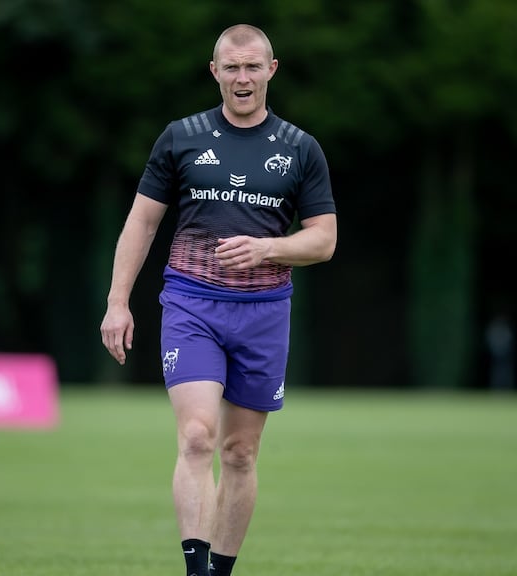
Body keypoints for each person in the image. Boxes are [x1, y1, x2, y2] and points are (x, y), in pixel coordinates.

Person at [100, 24, 337, 576]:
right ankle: (194, 571)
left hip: (264, 312)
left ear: (271, 71)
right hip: (191, 304)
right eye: (231, 67)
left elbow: (324, 240)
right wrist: (118, 301)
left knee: (239, 453)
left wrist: (267, 249)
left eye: (253, 66)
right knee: (198, 436)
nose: (243, 77)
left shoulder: (301, 149)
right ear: (215, 72)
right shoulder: (181, 137)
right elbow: (142, 222)